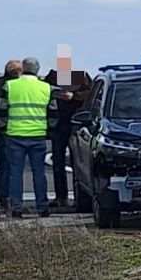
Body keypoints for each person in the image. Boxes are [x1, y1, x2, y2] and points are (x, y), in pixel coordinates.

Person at [0, 57, 57, 219]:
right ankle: (42, 207)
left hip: (14, 135)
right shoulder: (46, 88)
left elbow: (1, 111)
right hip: (38, 135)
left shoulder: (9, 86)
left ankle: (16, 208)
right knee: (39, 173)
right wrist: (49, 131)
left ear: (23, 69)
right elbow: (53, 113)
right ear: (37, 70)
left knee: (15, 173)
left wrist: (3, 129)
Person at [43, 68, 91, 208]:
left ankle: (80, 198)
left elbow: (90, 94)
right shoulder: (52, 77)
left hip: (76, 124)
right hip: (59, 125)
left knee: (78, 163)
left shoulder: (80, 77)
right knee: (58, 162)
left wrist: (74, 96)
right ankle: (61, 197)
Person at [0, 59, 23, 215]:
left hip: (8, 132)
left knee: (7, 168)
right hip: (13, 133)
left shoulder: (0, 84)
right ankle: (6, 201)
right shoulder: (7, 85)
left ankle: (4, 201)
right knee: (9, 168)